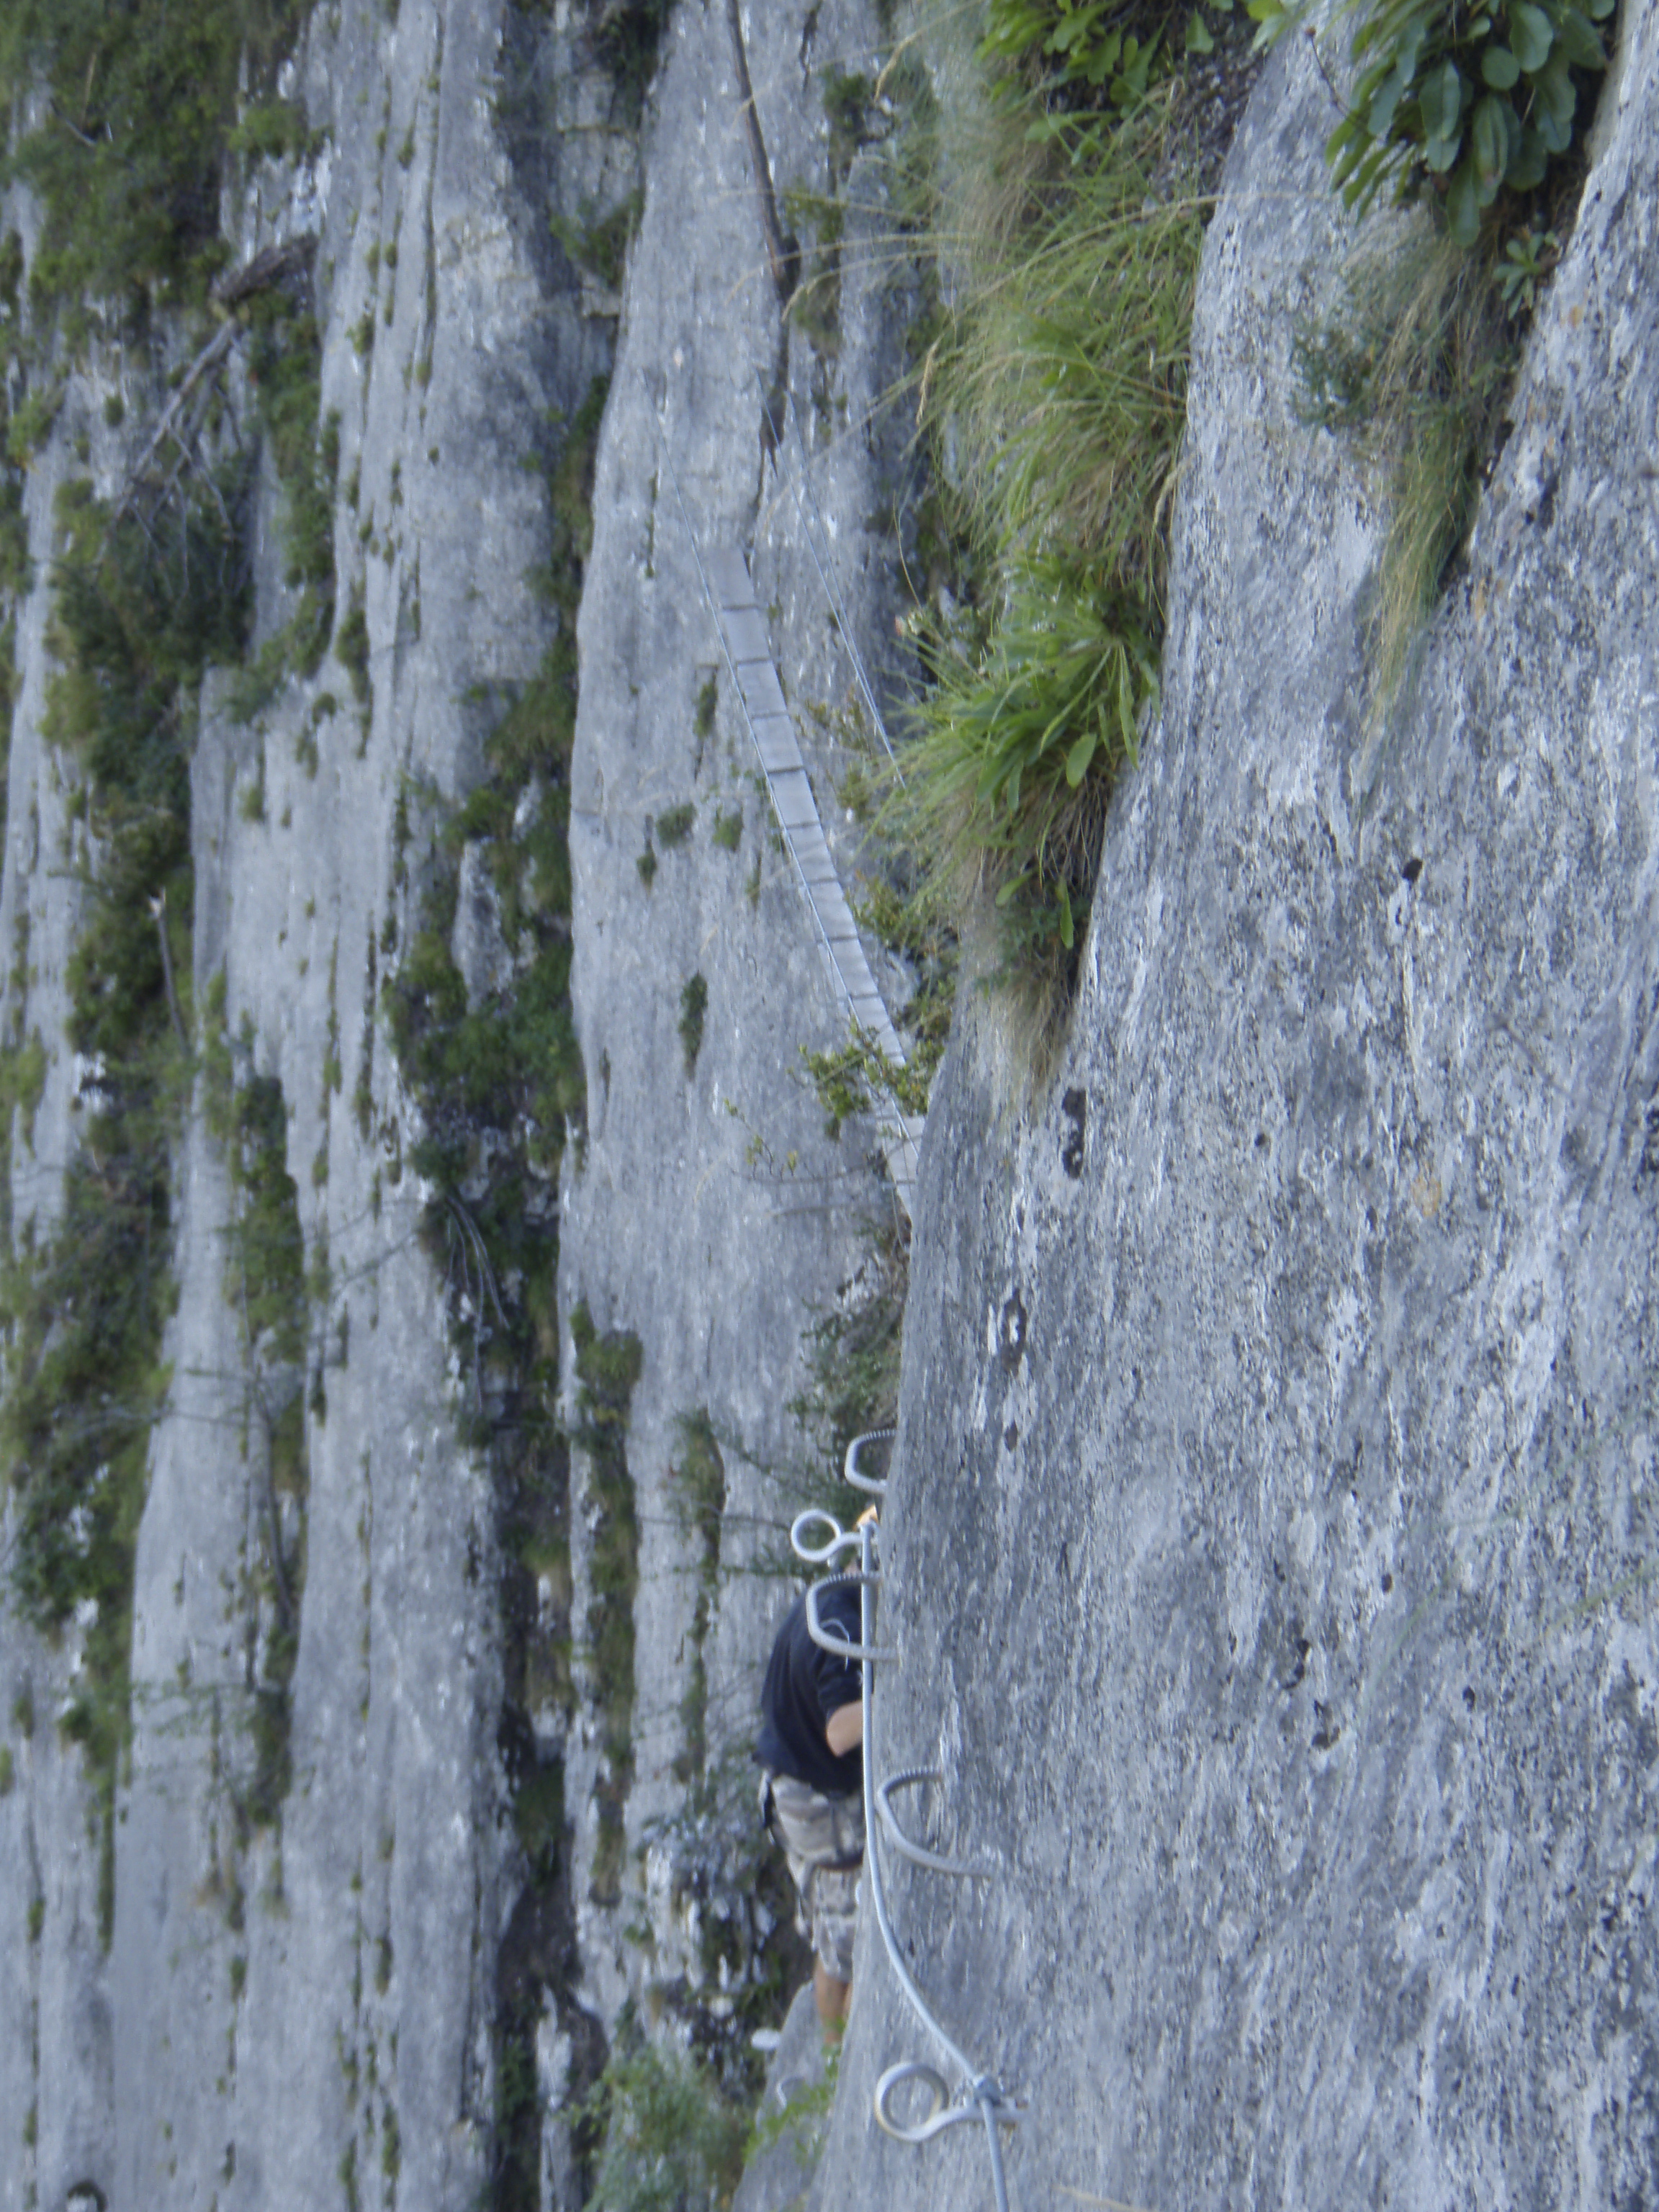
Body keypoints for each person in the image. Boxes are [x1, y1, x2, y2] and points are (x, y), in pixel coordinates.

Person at [755, 1558, 868, 2033]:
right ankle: (836, 2058)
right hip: (816, 1804)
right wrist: (901, 1685)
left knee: (833, 1932)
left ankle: (832, 2054)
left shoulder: (819, 1599)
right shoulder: (841, 1627)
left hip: (789, 1786)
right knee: (848, 1944)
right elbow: (841, 1732)